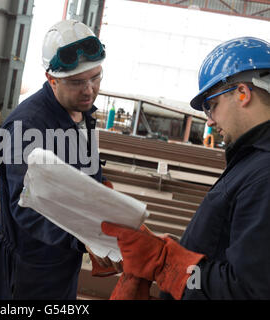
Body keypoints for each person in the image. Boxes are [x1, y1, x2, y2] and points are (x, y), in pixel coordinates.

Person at [101, 36, 270, 300]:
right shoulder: (252, 162)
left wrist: (168, 264)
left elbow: (247, 291)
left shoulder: (264, 174)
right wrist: (180, 251)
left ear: (242, 93)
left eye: (211, 105)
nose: (210, 121)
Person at [0, 20, 120, 300]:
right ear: (51, 78)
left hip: (61, 262)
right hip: (26, 269)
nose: (89, 90)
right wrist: (82, 237)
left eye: (95, 77)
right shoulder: (25, 126)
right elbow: (25, 206)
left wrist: (104, 198)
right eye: (77, 82)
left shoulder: (81, 114)